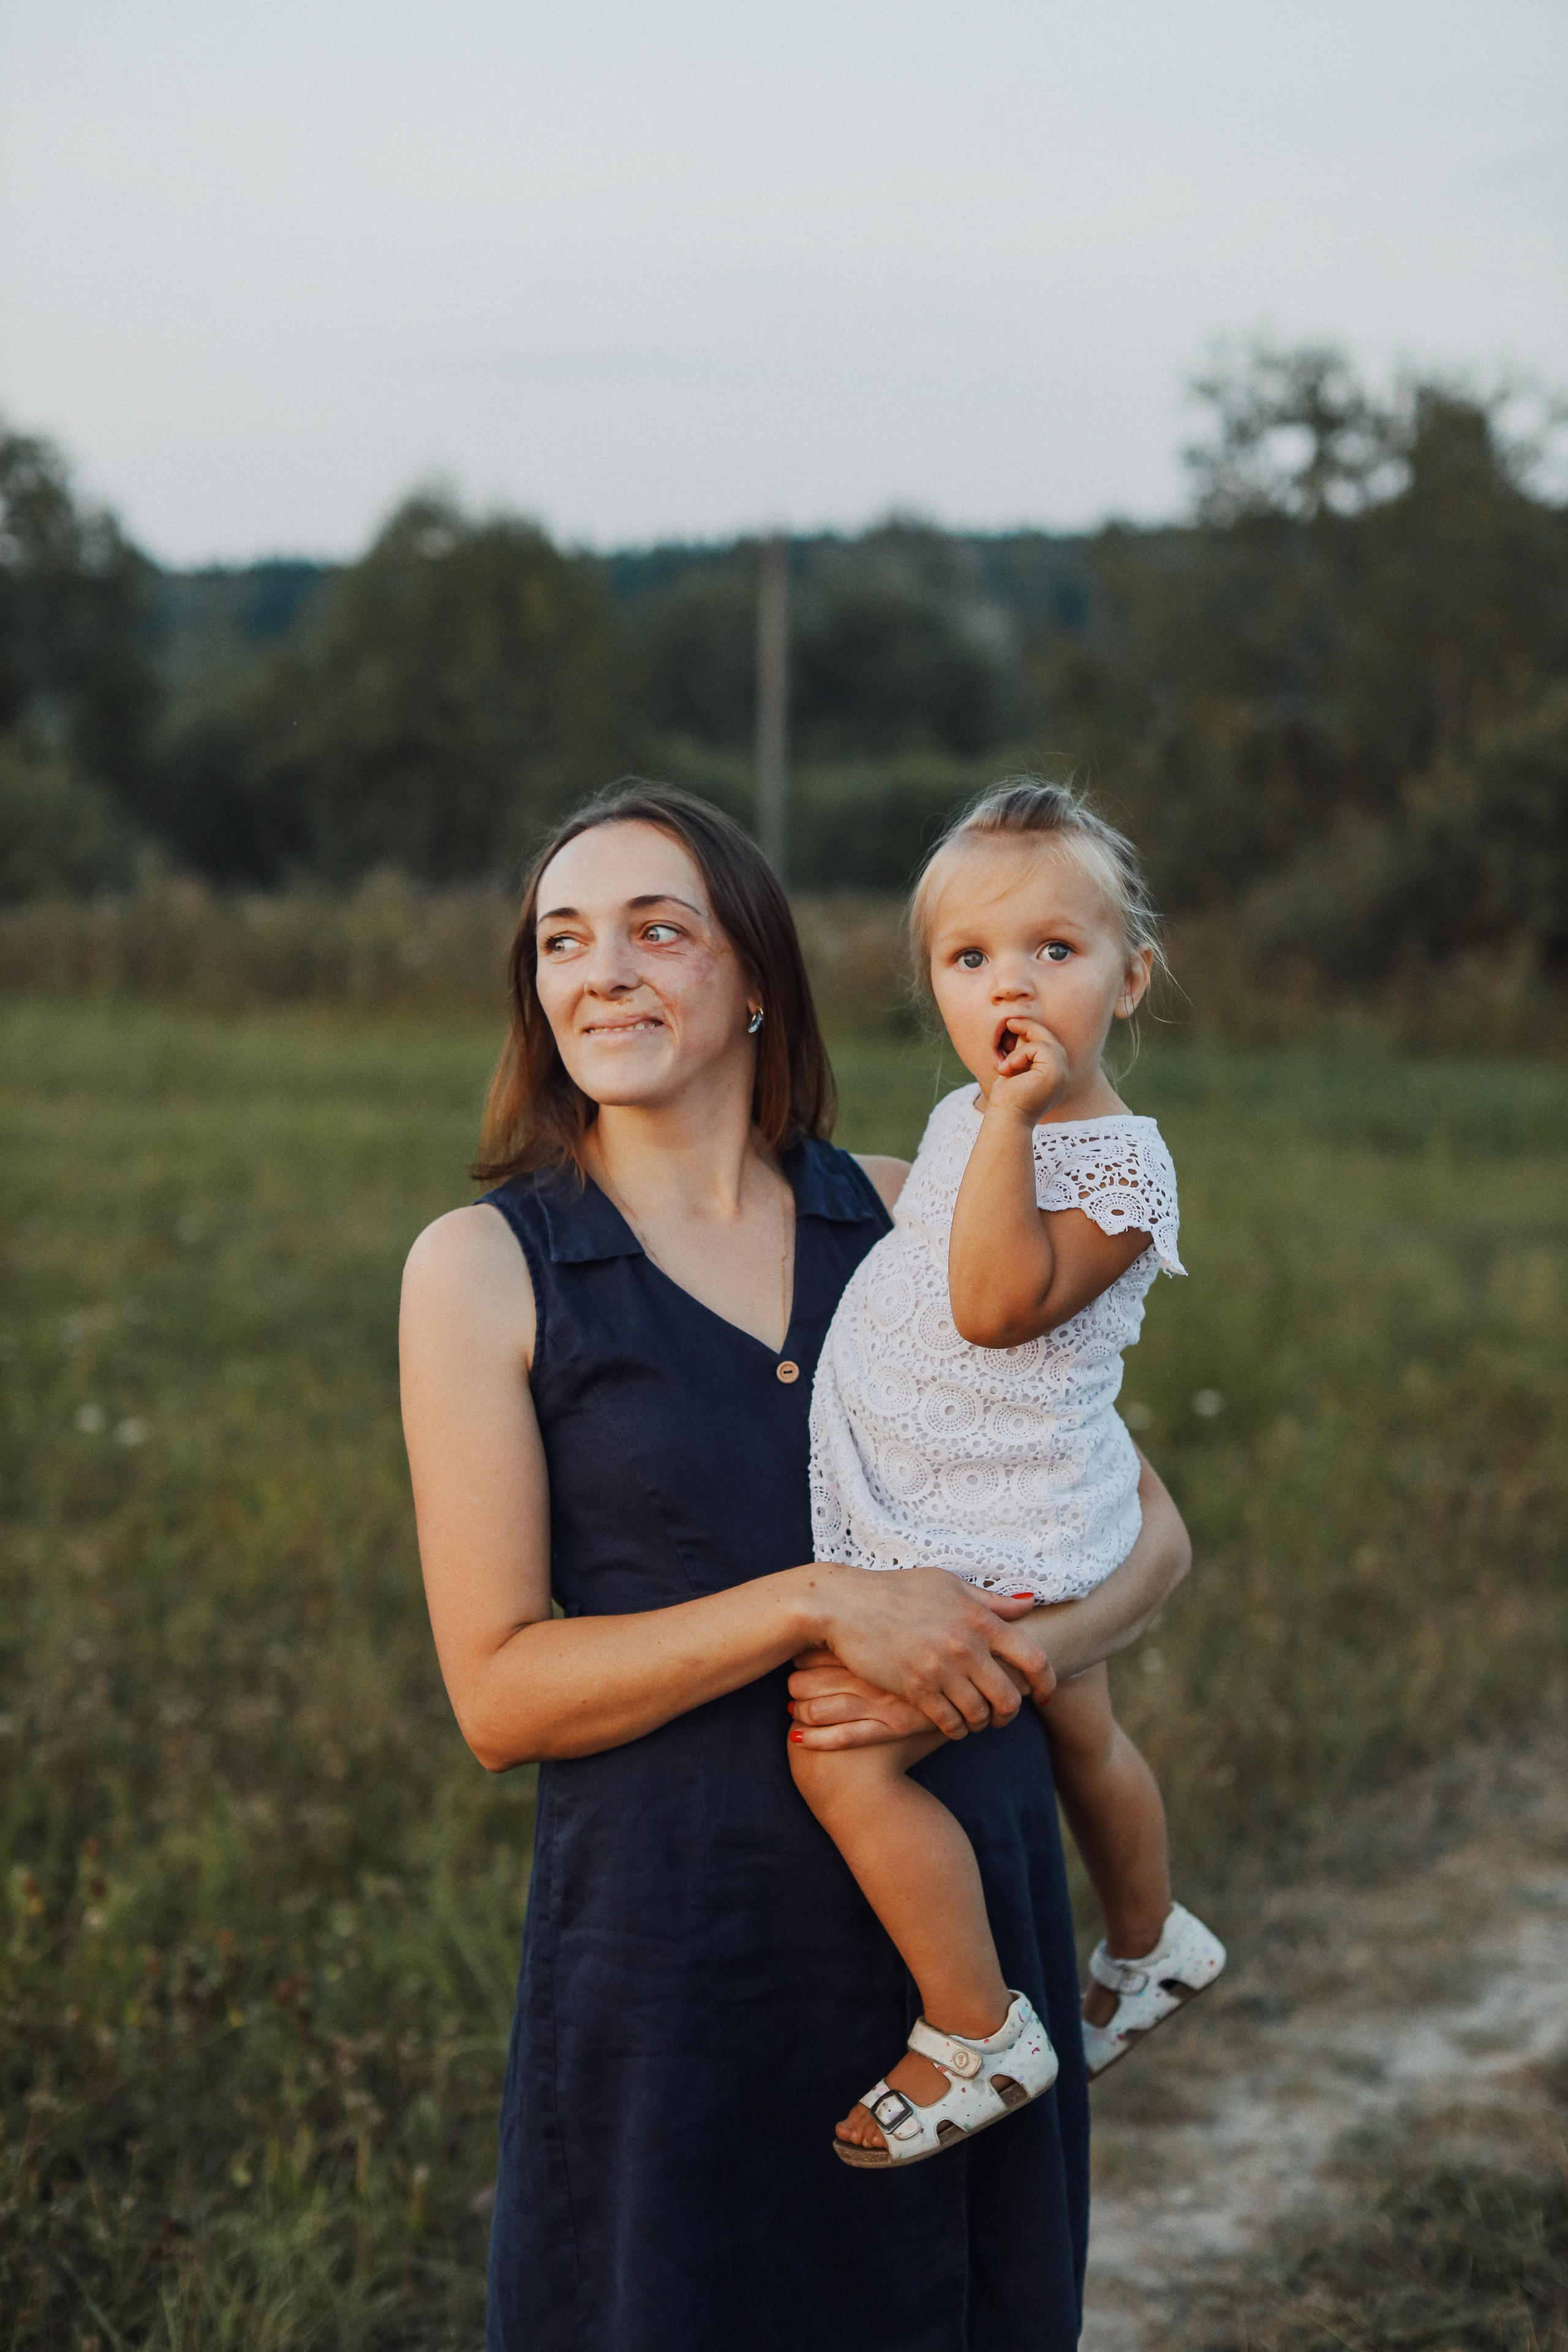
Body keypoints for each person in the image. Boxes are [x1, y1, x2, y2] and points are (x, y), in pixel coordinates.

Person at [399, 782, 1193, 2352]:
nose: (601, 970)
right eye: (563, 939)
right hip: (680, 1966)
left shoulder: (919, 1212)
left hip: (961, 1977)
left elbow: (1149, 1532)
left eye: (657, 929)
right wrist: (820, 1603)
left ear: (754, 974)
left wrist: (1016, 1655)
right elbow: (497, 1695)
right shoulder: (486, 1265)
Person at [798, 781, 1224, 2169]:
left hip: (1004, 1515)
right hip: (998, 1479)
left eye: (1055, 949)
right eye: (969, 958)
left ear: (1128, 975)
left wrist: (1003, 1120)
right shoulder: (964, 1118)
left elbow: (990, 1301)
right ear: (931, 981)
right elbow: (927, 1246)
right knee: (1081, 1734)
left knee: (845, 1764)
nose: (1012, 985)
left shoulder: (1119, 1167)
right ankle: (1153, 1942)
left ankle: (974, 2025)